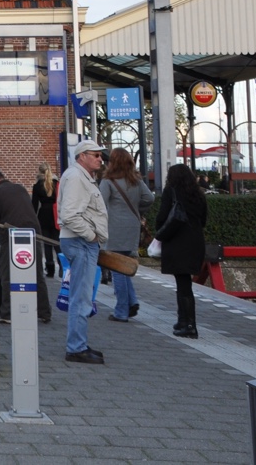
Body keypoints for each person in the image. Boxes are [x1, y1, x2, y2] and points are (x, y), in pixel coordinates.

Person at [58, 140, 109, 364]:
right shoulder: (77, 178)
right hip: (80, 241)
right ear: (82, 156)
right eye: (95, 155)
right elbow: (69, 215)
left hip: (80, 241)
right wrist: (91, 236)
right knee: (81, 296)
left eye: (101, 155)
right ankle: (76, 347)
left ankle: (78, 344)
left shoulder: (80, 177)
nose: (100, 159)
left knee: (82, 294)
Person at [99, 148, 154, 322]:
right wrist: (137, 210)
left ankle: (121, 310)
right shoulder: (136, 180)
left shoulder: (108, 181)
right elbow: (150, 199)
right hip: (132, 227)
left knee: (117, 269)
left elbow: (100, 203)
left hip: (114, 228)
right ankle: (132, 301)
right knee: (124, 266)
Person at [156, 163, 209, 338]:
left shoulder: (171, 192)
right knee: (185, 283)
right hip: (195, 241)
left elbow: (162, 217)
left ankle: (189, 324)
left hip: (178, 242)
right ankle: (183, 320)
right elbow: (203, 220)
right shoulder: (198, 195)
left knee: (183, 284)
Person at [0, 168, 51, 323]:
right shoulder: (19, 188)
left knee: (7, 272)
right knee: (37, 271)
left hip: (11, 232)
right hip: (33, 231)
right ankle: (43, 311)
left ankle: (8, 313)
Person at [31, 162, 60, 278]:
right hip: (55, 215)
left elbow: (34, 204)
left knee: (47, 243)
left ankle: (50, 269)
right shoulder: (56, 183)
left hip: (43, 215)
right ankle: (63, 267)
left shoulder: (37, 186)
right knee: (57, 242)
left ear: (39, 172)